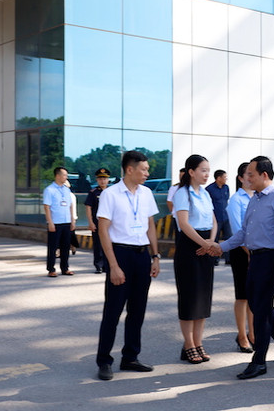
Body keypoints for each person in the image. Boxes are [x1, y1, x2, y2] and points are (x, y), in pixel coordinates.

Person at [212, 155, 274, 380]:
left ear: (264, 175)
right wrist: (221, 247)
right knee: (258, 306)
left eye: (251, 174)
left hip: (271, 259)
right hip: (255, 260)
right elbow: (243, 233)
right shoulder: (254, 199)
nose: (247, 178)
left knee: (262, 311)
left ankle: (259, 361)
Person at [95, 150, 161, 381]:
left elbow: (150, 225)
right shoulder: (110, 194)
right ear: (129, 169)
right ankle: (104, 360)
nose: (147, 173)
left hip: (142, 256)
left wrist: (155, 256)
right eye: (144, 169)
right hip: (120, 254)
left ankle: (130, 357)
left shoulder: (146, 193)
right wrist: (113, 265)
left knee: (137, 310)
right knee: (113, 311)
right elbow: (103, 230)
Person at [173, 154, 217, 364]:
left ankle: (198, 342)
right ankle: (188, 344)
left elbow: (214, 221)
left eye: (208, 170)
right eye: (203, 170)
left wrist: (211, 242)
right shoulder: (182, 193)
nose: (207, 174)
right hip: (190, 246)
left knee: (203, 298)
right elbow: (184, 224)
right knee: (190, 297)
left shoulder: (206, 194)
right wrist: (204, 244)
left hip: (206, 245)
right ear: (191, 172)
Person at [226, 162, 256, 354]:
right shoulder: (236, 200)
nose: (251, 178)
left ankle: (253, 334)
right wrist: (249, 252)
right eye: (248, 175)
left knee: (253, 295)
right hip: (241, 251)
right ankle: (242, 335)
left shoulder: (258, 197)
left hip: (257, 251)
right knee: (242, 295)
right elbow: (238, 230)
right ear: (240, 178)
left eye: (253, 174)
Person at [43, 167, 75, 277]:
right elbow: (47, 207)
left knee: (65, 247)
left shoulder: (66, 190)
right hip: (55, 222)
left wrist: (72, 220)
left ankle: (65, 268)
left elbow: (70, 206)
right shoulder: (49, 190)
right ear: (57, 176)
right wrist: (50, 222)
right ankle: (51, 269)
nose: (66, 177)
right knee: (53, 247)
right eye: (64, 175)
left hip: (66, 222)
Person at [85, 168, 111, 274]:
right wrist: (90, 222)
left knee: (109, 244)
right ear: (97, 180)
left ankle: (107, 265)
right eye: (100, 179)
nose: (102, 181)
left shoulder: (112, 192)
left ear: (108, 180)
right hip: (97, 222)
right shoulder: (93, 192)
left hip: (110, 223)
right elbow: (88, 207)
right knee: (98, 244)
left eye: (104, 179)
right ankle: (99, 265)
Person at [206, 169, 231, 265]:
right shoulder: (209, 189)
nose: (226, 179)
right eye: (224, 177)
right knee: (214, 239)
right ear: (218, 178)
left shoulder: (226, 188)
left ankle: (228, 259)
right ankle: (215, 259)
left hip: (226, 217)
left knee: (228, 238)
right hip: (215, 219)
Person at [167, 168, 186, 232]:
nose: (181, 178)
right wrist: (173, 212)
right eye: (180, 176)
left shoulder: (192, 188)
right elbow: (169, 202)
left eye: (183, 176)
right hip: (177, 216)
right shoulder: (174, 188)